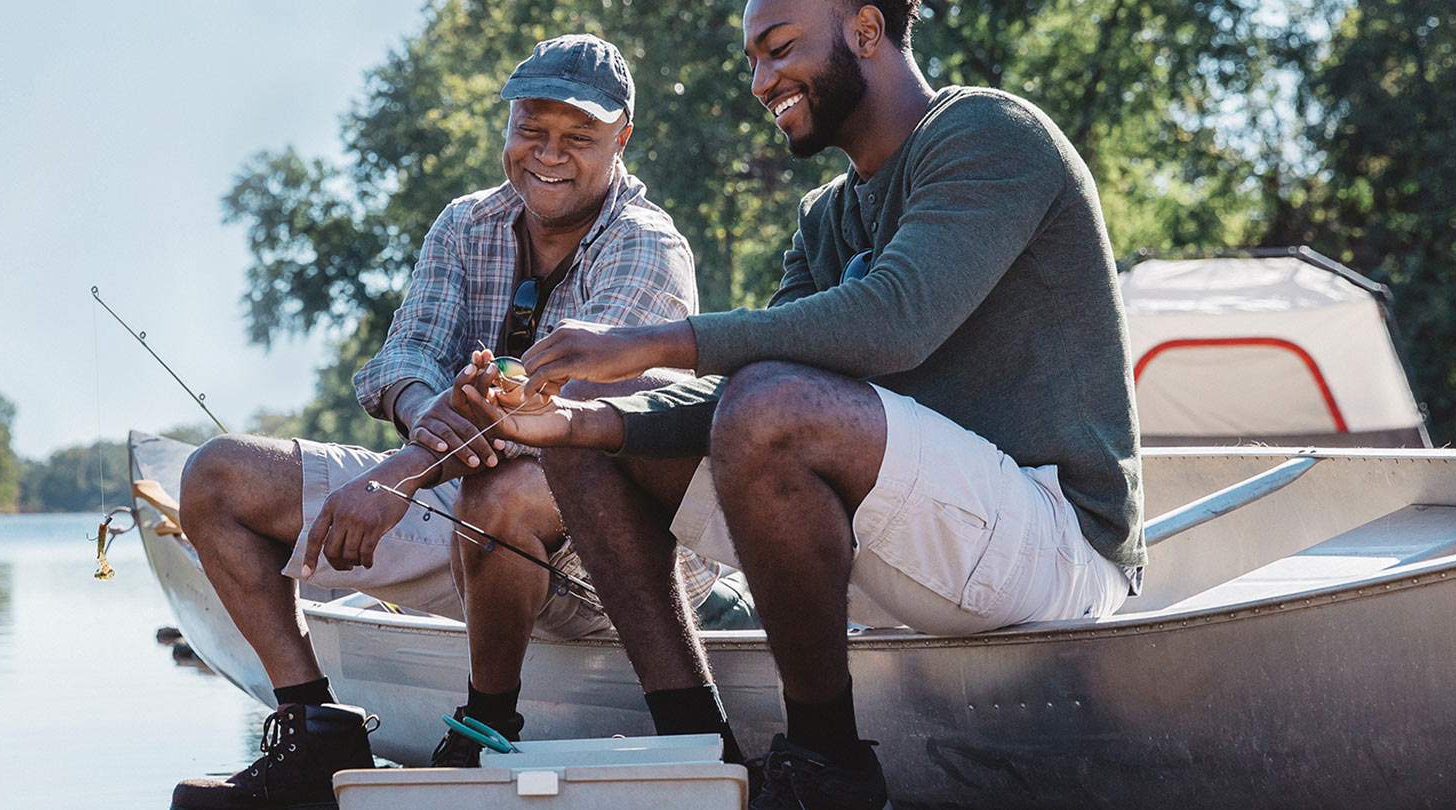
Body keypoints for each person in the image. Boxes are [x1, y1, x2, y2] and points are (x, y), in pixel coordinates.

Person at [449, 2, 1145, 808]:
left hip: (1052, 544)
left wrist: (647, 342)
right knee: (599, 442)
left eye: (779, 50)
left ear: (866, 29)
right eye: (751, 61)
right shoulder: (825, 217)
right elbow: (722, 399)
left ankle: (827, 768)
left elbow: (896, 320)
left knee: (771, 401)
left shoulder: (989, 133)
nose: (761, 81)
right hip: (905, 541)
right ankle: (699, 754)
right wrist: (575, 422)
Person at [170, 34, 741, 810]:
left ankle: (484, 727)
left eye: (579, 138)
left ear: (623, 140)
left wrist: (400, 473)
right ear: (506, 127)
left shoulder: (646, 243)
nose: (548, 155)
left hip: (610, 550)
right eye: (531, 131)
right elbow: (400, 360)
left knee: (501, 489)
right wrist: (424, 411)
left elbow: (553, 412)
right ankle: (314, 733)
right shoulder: (466, 223)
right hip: (461, 508)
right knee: (216, 475)